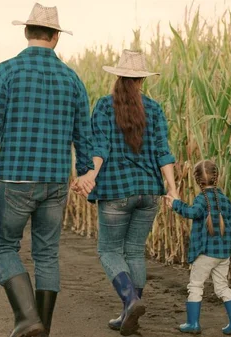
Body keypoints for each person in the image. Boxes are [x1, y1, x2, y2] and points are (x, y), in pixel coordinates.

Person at [0, 3, 95, 337]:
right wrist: (83, 172)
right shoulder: (72, 79)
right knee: (47, 255)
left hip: (16, 179)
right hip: (55, 182)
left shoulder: (5, 72)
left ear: (27, 32)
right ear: (55, 37)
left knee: (3, 245)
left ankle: (27, 319)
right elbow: (84, 135)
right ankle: (41, 328)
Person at [74, 50, 177, 336]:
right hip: (148, 192)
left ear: (118, 75)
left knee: (108, 250)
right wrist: (173, 188)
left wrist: (89, 176)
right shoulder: (154, 109)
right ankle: (128, 312)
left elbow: (100, 148)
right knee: (134, 251)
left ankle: (130, 301)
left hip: (116, 190)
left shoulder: (106, 106)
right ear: (143, 79)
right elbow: (163, 153)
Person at [164, 160, 231, 335]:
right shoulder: (225, 199)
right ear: (217, 177)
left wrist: (176, 204)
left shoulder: (202, 199)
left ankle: (192, 324)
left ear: (197, 180)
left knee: (195, 286)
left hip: (205, 253)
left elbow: (192, 213)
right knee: (222, 287)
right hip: (223, 254)